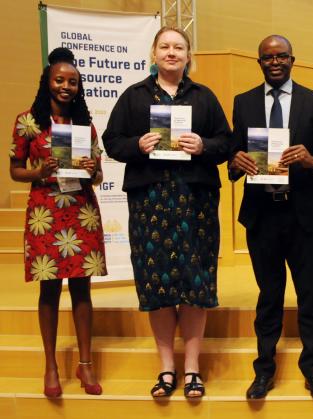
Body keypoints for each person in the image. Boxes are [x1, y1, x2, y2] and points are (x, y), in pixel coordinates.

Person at [103, 27, 231, 398]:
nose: (172, 52)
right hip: (150, 203)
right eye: (165, 46)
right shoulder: (134, 96)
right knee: (156, 283)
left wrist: (204, 144)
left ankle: (192, 369)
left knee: (195, 281)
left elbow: (226, 142)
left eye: (179, 47)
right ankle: (166, 369)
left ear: (189, 56)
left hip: (196, 202)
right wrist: (136, 145)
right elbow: (112, 141)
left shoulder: (204, 97)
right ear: (154, 53)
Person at [229, 35, 313, 399]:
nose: (274, 62)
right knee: (269, 296)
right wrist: (236, 160)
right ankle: (264, 371)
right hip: (262, 215)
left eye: (281, 56)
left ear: (293, 59)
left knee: (309, 295)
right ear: (258, 62)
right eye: (267, 57)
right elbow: (231, 155)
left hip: (303, 213)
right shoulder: (242, 103)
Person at [9, 47, 106, 397]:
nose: (66, 87)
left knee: (82, 289)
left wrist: (94, 171)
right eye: (60, 80)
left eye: (73, 82)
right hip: (45, 213)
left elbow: (97, 176)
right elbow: (15, 170)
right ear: (48, 82)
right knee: (48, 289)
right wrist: (39, 171)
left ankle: (85, 364)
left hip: (81, 211)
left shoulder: (85, 124)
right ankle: (50, 365)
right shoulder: (27, 122)